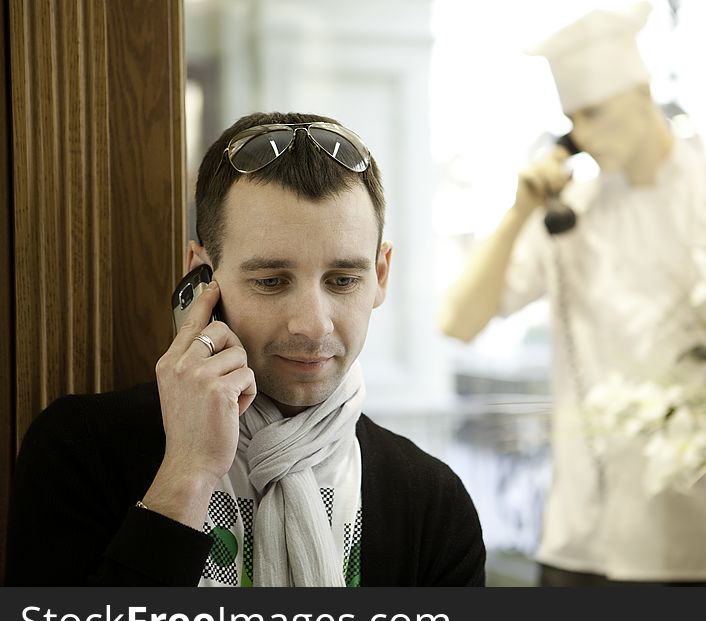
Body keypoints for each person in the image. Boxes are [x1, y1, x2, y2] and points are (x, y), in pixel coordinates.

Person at [438, 2, 706, 586]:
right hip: (581, 540)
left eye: (595, 112)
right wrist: (520, 212)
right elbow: (459, 320)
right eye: (574, 120)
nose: (585, 136)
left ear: (641, 90)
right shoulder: (571, 217)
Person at [6, 111, 486, 586]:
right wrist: (187, 474)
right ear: (201, 276)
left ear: (380, 276)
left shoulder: (431, 501)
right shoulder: (82, 449)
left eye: (343, 280)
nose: (313, 324)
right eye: (272, 281)